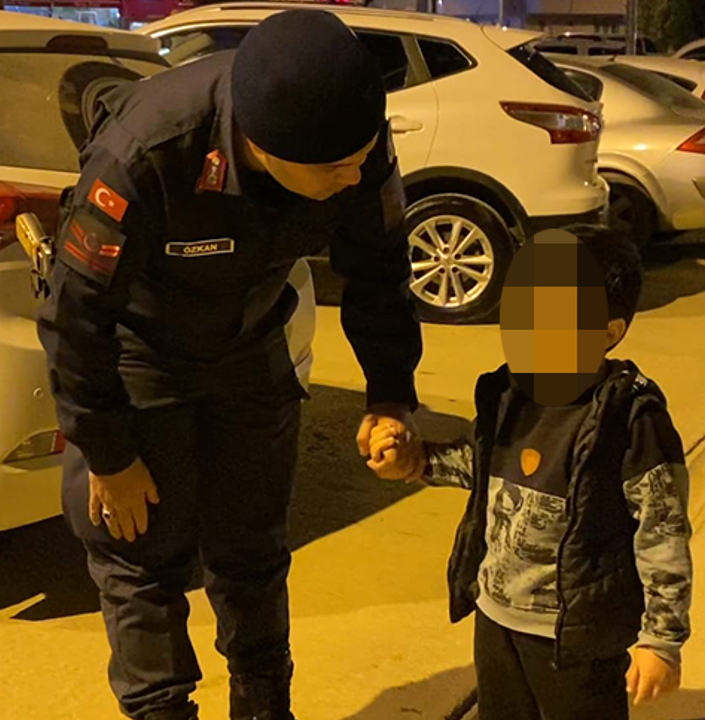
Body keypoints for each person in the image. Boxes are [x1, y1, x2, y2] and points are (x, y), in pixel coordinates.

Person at [36, 10, 422, 720]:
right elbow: (75, 315)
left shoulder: (348, 140)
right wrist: (109, 454)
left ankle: (265, 704)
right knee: (140, 556)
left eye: (363, 157)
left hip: (249, 345)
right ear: (262, 146)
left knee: (254, 550)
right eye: (335, 169)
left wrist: (390, 396)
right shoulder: (147, 153)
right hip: (143, 354)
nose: (355, 176)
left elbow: (380, 272)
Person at [366, 226, 693, 720]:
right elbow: (481, 464)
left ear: (609, 333)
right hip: (496, 614)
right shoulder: (509, 395)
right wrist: (416, 462)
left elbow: (662, 531)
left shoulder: (628, 419)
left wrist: (661, 640)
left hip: (575, 633)